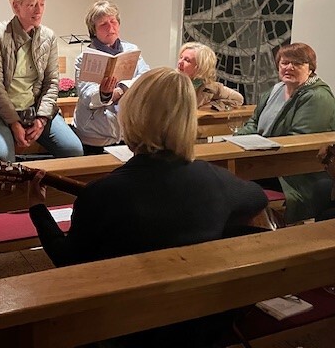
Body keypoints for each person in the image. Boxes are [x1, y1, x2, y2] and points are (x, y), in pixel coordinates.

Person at [27, 67, 268, 347]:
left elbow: (67, 261)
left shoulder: (102, 194)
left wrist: (38, 209)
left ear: (132, 118)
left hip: (122, 331)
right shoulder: (215, 180)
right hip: (198, 326)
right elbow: (258, 198)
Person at [0, 0, 84, 162]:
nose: (39, 10)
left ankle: (44, 181)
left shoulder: (48, 37)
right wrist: (14, 122)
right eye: (32, 5)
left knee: (74, 150)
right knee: (3, 156)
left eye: (42, 4)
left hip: (35, 110)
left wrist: (41, 119)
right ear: (16, 7)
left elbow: (52, 82)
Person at [236, 42, 335, 222]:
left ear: (310, 68)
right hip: (265, 160)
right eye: (284, 63)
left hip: (294, 174)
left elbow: (299, 140)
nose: (289, 67)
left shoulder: (318, 97)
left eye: (297, 63)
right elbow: (254, 122)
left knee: (234, 181)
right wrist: (236, 140)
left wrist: (256, 154)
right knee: (225, 173)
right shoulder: (276, 90)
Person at [72, 0, 150, 154]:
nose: (110, 27)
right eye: (103, 24)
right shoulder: (84, 58)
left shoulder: (131, 50)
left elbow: (145, 77)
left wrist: (121, 89)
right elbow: (87, 94)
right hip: (95, 134)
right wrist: (104, 93)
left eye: (113, 21)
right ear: (94, 30)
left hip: (128, 132)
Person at [177, 41, 244, 110]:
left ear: (201, 67)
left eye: (187, 60)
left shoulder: (210, 88)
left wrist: (213, 106)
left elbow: (238, 99)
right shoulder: (172, 81)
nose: (180, 62)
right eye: (181, 57)